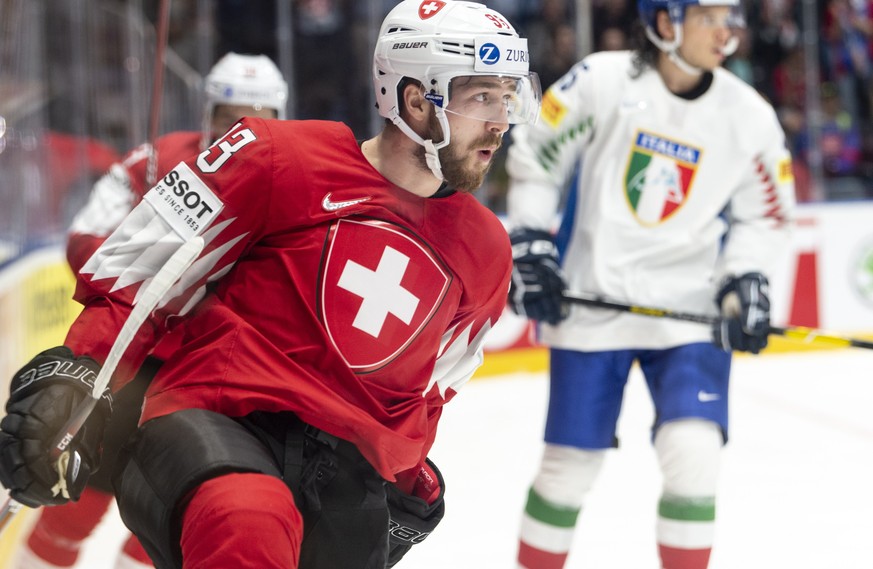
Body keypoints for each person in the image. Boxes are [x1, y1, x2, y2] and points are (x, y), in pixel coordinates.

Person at [0, 1, 541, 568]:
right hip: (217, 423)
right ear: (413, 98)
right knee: (246, 521)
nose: (502, 120)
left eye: (509, 97)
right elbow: (142, 279)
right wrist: (78, 372)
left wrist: (408, 476)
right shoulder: (276, 155)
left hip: (341, 467)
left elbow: (431, 389)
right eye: (482, 97)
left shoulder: (486, 250)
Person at [504, 1, 796, 569]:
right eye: (708, 16)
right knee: (568, 469)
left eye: (729, 16)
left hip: (689, 311)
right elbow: (536, 155)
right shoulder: (602, 80)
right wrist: (531, 238)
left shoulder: (748, 115)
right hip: (592, 302)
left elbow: (766, 215)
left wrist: (745, 278)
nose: (725, 30)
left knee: (694, 453)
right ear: (666, 23)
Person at [11, 52, 289, 569]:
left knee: (167, 523)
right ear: (208, 114)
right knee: (71, 502)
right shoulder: (157, 159)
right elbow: (83, 239)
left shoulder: (292, 182)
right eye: (229, 116)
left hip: (211, 382)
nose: (242, 130)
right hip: (132, 363)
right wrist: (157, 278)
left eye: (258, 116)